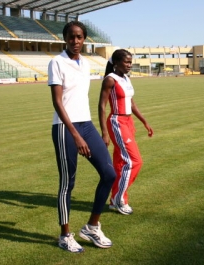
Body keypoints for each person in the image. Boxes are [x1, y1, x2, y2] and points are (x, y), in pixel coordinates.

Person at [48, 21, 116, 253]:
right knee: (68, 183)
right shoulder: (57, 62)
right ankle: (65, 235)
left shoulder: (86, 63)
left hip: (86, 124)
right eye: (71, 37)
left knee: (109, 173)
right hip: (64, 128)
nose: (75, 41)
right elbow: (58, 102)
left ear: (84, 39)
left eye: (79, 37)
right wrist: (76, 135)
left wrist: (98, 131)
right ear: (65, 38)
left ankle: (91, 227)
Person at [98, 49, 153, 215]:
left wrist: (144, 121)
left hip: (128, 122)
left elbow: (132, 103)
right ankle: (117, 199)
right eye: (127, 62)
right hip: (117, 122)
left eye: (131, 62)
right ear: (116, 63)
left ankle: (117, 199)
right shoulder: (110, 80)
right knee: (134, 162)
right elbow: (102, 106)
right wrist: (104, 132)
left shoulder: (126, 78)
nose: (130, 65)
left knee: (121, 163)